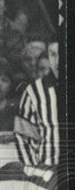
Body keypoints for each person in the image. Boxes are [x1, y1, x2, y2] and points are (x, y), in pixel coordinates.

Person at [14, 41, 59, 173]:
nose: (58, 61)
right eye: (53, 55)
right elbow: (22, 136)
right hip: (47, 174)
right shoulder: (33, 91)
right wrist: (35, 172)